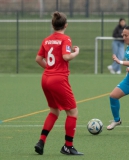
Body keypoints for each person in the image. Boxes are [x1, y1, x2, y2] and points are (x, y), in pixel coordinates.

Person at [34, 11, 83, 155]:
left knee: (54, 111)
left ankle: (41, 141)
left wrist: (50, 68)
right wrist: (77, 52)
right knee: (73, 112)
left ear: (53, 25)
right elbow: (66, 56)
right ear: (66, 25)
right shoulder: (65, 39)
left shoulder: (46, 39)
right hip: (58, 79)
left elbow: (38, 59)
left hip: (46, 79)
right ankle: (68, 146)